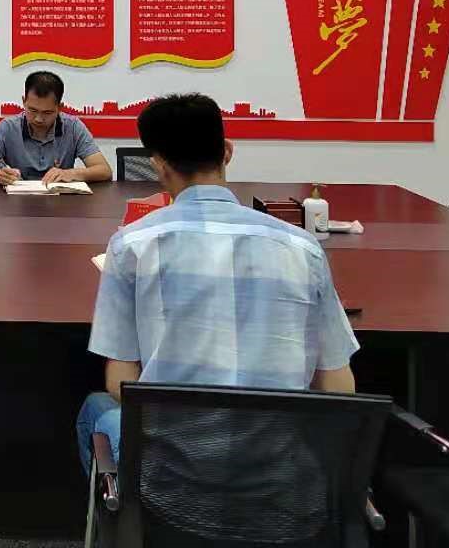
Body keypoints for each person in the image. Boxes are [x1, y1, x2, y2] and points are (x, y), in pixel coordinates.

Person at [77, 93, 357, 474]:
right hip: (278, 472)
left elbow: (122, 383)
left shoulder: (132, 245)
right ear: (227, 152)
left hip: (176, 473)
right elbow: (339, 386)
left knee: (96, 408)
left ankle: (124, 511)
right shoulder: (302, 248)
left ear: (159, 166)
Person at [0, 70, 111, 185]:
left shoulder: (73, 127)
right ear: (24, 101)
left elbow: (104, 171)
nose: (38, 119)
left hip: (61, 201)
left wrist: (71, 173)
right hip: (17, 200)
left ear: (60, 108)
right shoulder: (8, 127)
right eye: (32, 110)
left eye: (47, 112)